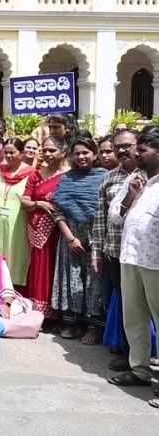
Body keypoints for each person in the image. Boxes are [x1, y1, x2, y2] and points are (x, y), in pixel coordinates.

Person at [108, 127, 159, 400]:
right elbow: (115, 216)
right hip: (130, 257)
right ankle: (139, 370)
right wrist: (132, 196)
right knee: (134, 317)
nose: (136, 153)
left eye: (143, 150)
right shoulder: (135, 179)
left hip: (156, 263)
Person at [51, 136, 107, 342]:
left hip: (97, 235)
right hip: (70, 235)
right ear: (72, 156)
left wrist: (97, 238)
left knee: (95, 280)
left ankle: (93, 326)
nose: (82, 157)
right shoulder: (66, 179)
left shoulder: (104, 177)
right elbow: (57, 211)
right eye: (77, 153)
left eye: (86, 152)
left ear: (95, 154)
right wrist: (70, 238)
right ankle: (70, 322)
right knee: (72, 278)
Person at [91, 129, 139, 359]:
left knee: (141, 308)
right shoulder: (109, 178)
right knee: (120, 305)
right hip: (113, 252)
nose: (121, 151)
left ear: (138, 145)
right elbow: (100, 220)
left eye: (126, 145)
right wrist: (96, 254)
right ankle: (127, 353)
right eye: (117, 146)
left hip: (142, 255)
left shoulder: (149, 176)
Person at [20, 136, 70, 317]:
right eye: (45, 150)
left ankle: (57, 312)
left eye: (52, 150)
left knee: (58, 269)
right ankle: (39, 311)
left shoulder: (69, 176)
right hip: (37, 229)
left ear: (63, 152)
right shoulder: (36, 174)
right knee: (39, 267)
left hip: (61, 230)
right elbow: (25, 200)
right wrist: (39, 204)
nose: (47, 154)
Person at [0, 138, 33, 287]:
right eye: (6, 152)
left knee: (16, 255)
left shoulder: (31, 174)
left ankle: (14, 290)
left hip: (18, 225)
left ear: (21, 153)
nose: (8, 156)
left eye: (12, 152)